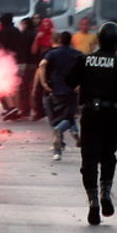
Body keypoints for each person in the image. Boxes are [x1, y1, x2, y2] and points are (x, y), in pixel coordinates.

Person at [65, 22, 117, 225]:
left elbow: (69, 81)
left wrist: (79, 66)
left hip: (91, 114)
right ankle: (105, 191)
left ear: (98, 39)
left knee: (89, 160)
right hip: (113, 115)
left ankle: (93, 201)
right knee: (108, 155)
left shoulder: (85, 60)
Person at [39, 31, 81, 161]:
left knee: (58, 118)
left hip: (55, 90)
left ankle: (58, 148)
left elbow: (42, 65)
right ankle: (72, 132)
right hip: (71, 91)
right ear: (70, 41)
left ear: (59, 40)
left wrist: (43, 82)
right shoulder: (77, 54)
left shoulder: (52, 53)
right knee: (69, 116)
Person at [0, 13, 23, 120]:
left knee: (5, 85)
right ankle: (16, 108)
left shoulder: (4, 31)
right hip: (17, 59)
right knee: (14, 85)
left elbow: (2, 47)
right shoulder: (16, 30)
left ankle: (11, 107)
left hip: (7, 60)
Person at [30, 18, 55, 121]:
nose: (46, 26)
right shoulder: (39, 35)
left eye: (47, 24)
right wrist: (37, 38)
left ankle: (51, 111)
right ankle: (38, 111)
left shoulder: (52, 36)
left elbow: (55, 47)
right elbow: (34, 51)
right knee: (36, 88)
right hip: (41, 64)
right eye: (44, 24)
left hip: (51, 65)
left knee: (50, 87)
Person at [17, 17, 38, 118]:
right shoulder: (35, 33)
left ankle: (25, 110)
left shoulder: (24, 35)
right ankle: (34, 110)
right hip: (34, 63)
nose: (21, 26)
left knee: (24, 88)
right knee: (32, 88)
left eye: (22, 24)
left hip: (26, 64)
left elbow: (21, 50)